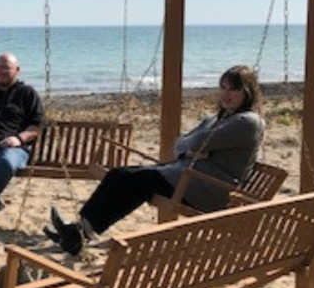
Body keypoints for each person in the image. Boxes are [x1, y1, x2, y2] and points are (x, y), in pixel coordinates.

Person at [45, 65, 264, 256]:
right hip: (186, 177)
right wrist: (191, 149)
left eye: (233, 89)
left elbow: (196, 143)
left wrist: (194, 149)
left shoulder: (248, 122)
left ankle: (76, 235)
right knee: (119, 174)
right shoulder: (217, 118)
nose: (226, 94)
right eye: (223, 88)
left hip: (206, 189)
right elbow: (180, 144)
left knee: (134, 181)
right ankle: (77, 233)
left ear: (247, 92)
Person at [0, 52, 44, 216]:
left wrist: (18, 139)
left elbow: (36, 127)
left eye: (7, 68)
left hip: (13, 150)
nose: (3, 71)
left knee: (6, 163)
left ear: (17, 70)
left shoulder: (27, 93)